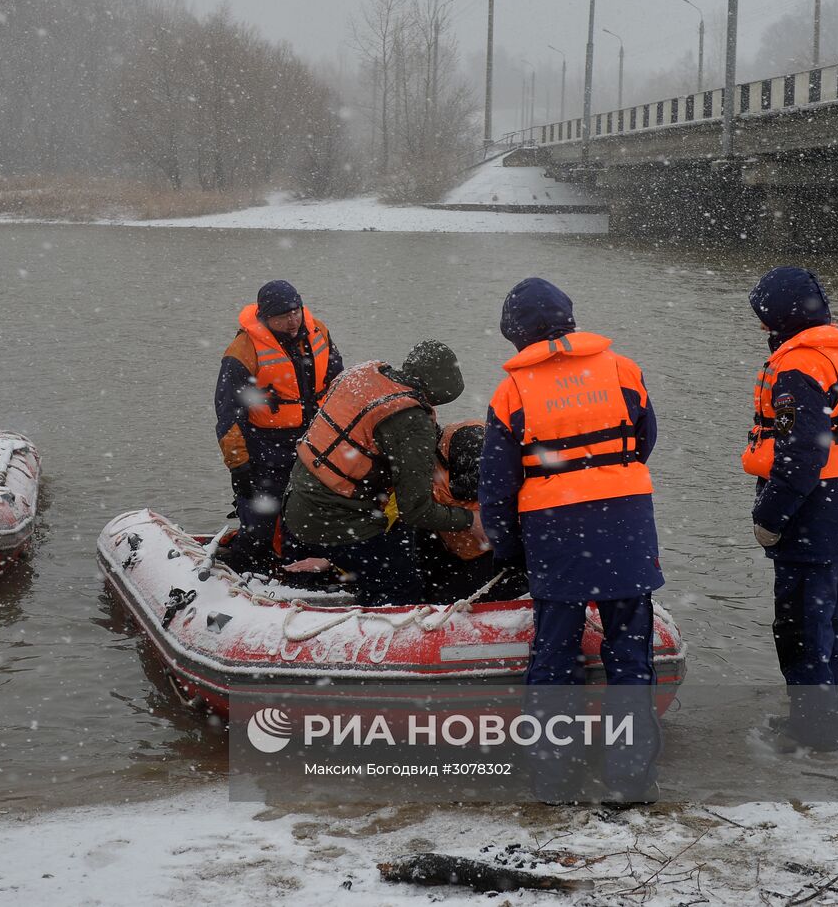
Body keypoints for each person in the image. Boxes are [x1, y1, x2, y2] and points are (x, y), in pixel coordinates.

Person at [478, 278, 662, 801]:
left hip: (555, 536)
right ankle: (631, 781)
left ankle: (553, 778)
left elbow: (497, 485)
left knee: (554, 659)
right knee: (631, 656)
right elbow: (644, 439)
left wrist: (509, 546)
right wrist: (608, 480)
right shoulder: (623, 369)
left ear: (517, 335)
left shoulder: (512, 391)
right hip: (626, 524)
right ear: (568, 318)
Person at [742, 267, 838, 752]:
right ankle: (829, 721)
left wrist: (771, 516)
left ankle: (813, 731)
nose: (761, 329)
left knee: (800, 626)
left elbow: (803, 452)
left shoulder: (798, 367)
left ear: (780, 316)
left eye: (763, 318)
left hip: (814, 513)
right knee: (832, 623)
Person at [281, 340, 474, 606]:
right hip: (334, 521)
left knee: (404, 541)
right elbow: (416, 510)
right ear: (437, 390)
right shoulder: (410, 420)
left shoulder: (364, 374)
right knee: (402, 583)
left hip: (297, 503)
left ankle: (347, 571)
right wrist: (469, 520)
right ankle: (386, 621)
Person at [215, 281, 343, 572]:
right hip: (266, 445)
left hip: (315, 441)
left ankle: (296, 567)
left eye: (296, 311)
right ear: (265, 318)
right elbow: (228, 413)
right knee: (260, 517)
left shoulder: (318, 332)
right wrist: (239, 464)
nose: (293, 320)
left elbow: (339, 384)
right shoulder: (243, 350)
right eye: (283, 315)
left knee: (309, 514)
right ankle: (249, 565)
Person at [417, 420, 528, 601]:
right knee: (426, 589)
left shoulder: (469, 442)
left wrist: (480, 520)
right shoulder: (421, 466)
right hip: (458, 550)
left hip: (501, 555)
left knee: (443, 600)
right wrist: (468, 519)